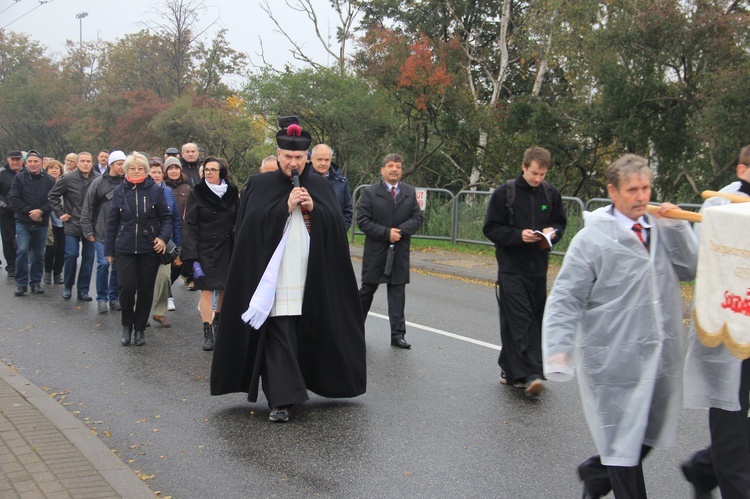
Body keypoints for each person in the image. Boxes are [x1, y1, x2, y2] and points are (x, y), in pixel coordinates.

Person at [542, 154, 699, 499]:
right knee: (622, 440)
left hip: (659, 355)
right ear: (613, 191)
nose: (641, 196)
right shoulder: (592, 240)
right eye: (632, 189)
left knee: (646, 433)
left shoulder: (659, 228)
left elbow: (690, 268)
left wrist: (677, 228)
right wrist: (558, 348)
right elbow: (566, 297)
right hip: (613, 360)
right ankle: (606, 472)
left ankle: (597, 475)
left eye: (646, 188)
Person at [210, 118, 366, 423]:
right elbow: (248, 228)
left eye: (298, 158)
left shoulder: (319, 185)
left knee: (299, 332)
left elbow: (336, 229)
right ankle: (282, 399)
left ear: (306, 158)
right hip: (272, 275)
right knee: (277, 331)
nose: (292, 163)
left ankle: (297, 386)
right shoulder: (259, 184)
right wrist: (285, 207)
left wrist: (315, 210)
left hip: (309, 273)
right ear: (278, 155)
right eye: (287, 157)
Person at [680, 145, 750, 499]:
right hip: (729, 328)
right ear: (742, 170)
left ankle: (704, 468)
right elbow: (697, 263)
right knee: (730, 418)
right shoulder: (720, 204)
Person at [482, 146, 567, 396]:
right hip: (511, 267)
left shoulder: (550, 194)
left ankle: (509, 368)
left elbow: (560, 223)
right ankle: (531, 374)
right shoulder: (504, 194)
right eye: (533, 173)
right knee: (522, 320)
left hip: (538, 268)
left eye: (542, 174)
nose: (537, 179)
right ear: (524, 166)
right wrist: (518, 236)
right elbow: (491, 229)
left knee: (528, 318)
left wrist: (553, 234)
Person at [357, 154, 424, 349]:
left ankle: (398, 335)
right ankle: (355, 329)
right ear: (382, 170)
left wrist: (400, 232)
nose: (394, 169)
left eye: (398, 166)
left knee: (397, 293)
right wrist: (386, 233)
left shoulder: (409, 192)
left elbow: (417, 218)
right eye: (390, 166)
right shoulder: (370, 193)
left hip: (399, 251)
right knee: (367, 291)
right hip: (376, 251)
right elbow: (363, 221)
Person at [105, 153, 171, 347]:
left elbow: (165, 218)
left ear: (146, 170)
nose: (136, 171)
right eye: (132, 168)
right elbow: (112, 222)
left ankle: (140, 328)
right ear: (126, 170)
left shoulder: (155, 190)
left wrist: (163, 238)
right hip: (124, 247)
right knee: (126, 287)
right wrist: (109, 250)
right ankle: (127, 325)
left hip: (148, 248)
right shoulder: (119, 191)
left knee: (145, 289)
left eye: (140, 168)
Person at [181, 156, 238, 350]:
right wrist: (191, 254)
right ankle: (207, 331)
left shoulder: (232, 192)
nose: (209, 172)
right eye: (206, 169)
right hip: (204, 247)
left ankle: (219, 324)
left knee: (223, 288)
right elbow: (190, 223)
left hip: (226, 247)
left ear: (222, 172)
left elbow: (237, 220)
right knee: (206, 290)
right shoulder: (197, 192)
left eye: (213, 169)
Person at [48, 152, 100, 301]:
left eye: (88, 161)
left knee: (89, 258)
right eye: (82, 161)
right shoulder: (68, 178)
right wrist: (60, 213)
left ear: (92, 163)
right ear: (77, 163)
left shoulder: (97, 179)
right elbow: (52, 196)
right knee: (71, 255)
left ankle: (83, 290)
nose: (85, 164)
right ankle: (67, 286)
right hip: (72, 223)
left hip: (91, 225)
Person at [80, 150, 126, 313]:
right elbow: (88, 207)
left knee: (116, 267)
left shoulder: (127, 182)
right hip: (100, 231)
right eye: (120, 164)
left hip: (121, 232)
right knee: (103, 264)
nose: (123, 167)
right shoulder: (98, 182)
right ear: (111, 165)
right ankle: (101, 298)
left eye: (124, 164)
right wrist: (87, 230)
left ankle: (114, 298)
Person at [9, 150, 56, 296]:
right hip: (23, 221)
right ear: (26, 163)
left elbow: (53, 200)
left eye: (36, 161)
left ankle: (35, 282)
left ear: (41, 163)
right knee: (22, 251)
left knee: (38, 254)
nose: (33, 164)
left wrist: (41, 211)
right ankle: (21, 283)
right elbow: (14, 198)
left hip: (41, 222)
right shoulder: (19, 178)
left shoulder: (49, 179)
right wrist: (31, 212)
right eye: (30, 161)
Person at [147, 157, 182, 327]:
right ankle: (141, 312)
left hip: (165, 241)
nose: (156, 175)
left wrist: (177, 243)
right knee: (142, 280)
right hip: (145, 241)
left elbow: (174, 218)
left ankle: (160, 313)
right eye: (153, 172)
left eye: (159, 172)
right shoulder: (142, 190)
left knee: (164, 278)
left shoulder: (167, 191)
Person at [164, 156, 190, 311]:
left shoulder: (187, 189)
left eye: (176, 168)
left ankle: (167, 288)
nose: (173, 171)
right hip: (166, 233)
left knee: (180, 266)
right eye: (170, 168)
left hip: (182, 232)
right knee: (165, 265)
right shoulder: (161, 188)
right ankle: (167, 295)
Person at [310, 144, 353, 230]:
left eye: (326, 160)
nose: (323, 163)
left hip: (334, 234)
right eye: (319, 159)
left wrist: (340, 231)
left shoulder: (341, 182)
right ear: (312, 159)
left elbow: (348, 211)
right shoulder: (303, 179)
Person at [0, 150, 25, 278]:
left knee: (24, 241)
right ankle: (11, 266)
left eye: (17, 160)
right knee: (8, 239)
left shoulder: (27, 172)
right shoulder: (2, 173)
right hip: (6, 212)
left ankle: (23, 264)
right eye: (12, 160)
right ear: (8, 160)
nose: (15, 162)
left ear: (22, 160)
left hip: (25, 212)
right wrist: (5, 205)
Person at [42, 160, 65, 285]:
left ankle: (57, 273)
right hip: (49, 220)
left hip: (63, 220)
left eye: (57, 168)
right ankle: (47, 271)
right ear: (47, 170)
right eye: (51, 168)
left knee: (62, 248)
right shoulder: (44, 184)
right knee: (51, 247)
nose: (54, 170)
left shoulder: (65, 183)